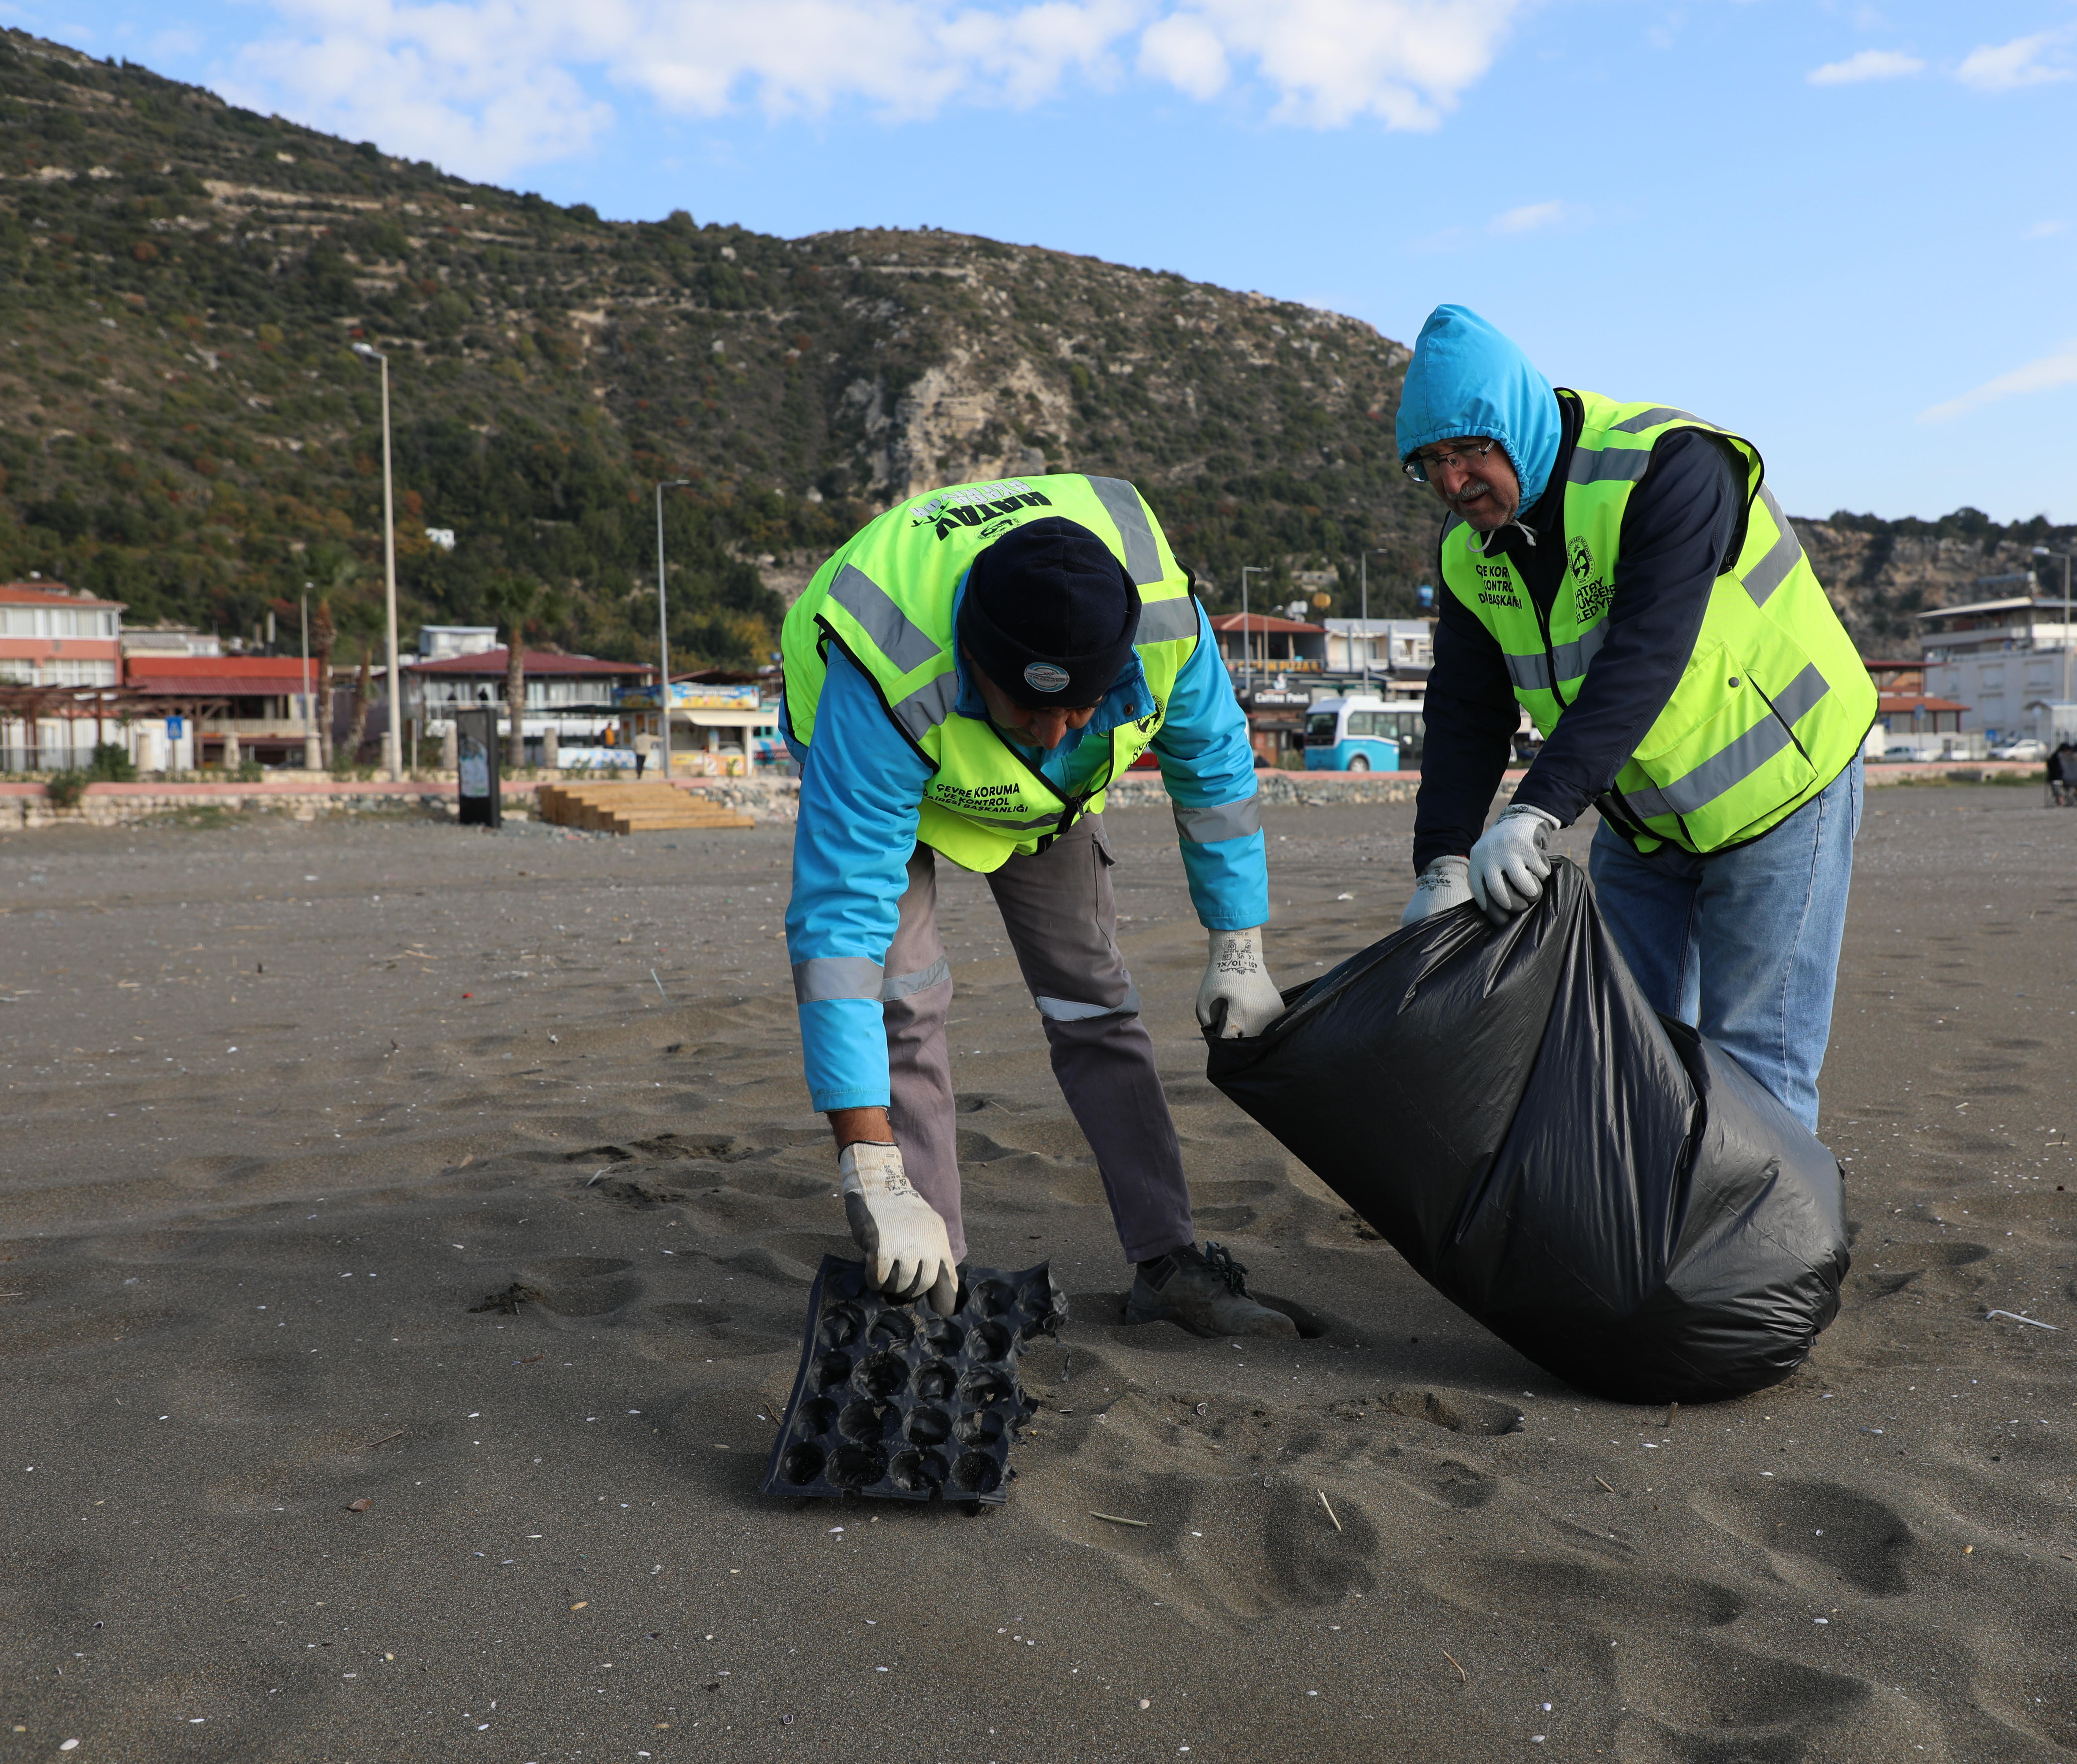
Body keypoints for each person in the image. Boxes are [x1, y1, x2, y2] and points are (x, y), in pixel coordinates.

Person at [779, 474, 1297, 1336]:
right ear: (976, 658)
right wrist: (868, 1163)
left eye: (1081, 707)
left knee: (1095, 999)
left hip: (1042, 804)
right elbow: (839, 927)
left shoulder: (1164, 621)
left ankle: (1168, 1261)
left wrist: (1238, 944)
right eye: (1031, 707)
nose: (1057, 731)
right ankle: (929, 1283)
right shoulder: (886, 669)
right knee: (904, 1006)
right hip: (899, 764)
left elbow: (1214, 773)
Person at [1394, 306, 1876, 1133]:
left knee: (1753, 1058)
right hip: (1643, 821)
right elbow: (1467, 711)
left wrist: (1533, 813)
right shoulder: (1468, 553)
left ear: (1519, 426)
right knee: (1625, 1044)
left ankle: (1769, 1258)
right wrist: (1440, 858)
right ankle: (1656, 1240)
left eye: (1472, 450)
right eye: (1431, 461)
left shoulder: (1668, 465)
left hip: (1786, 792)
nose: (1452, 481)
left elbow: (1644, 658)